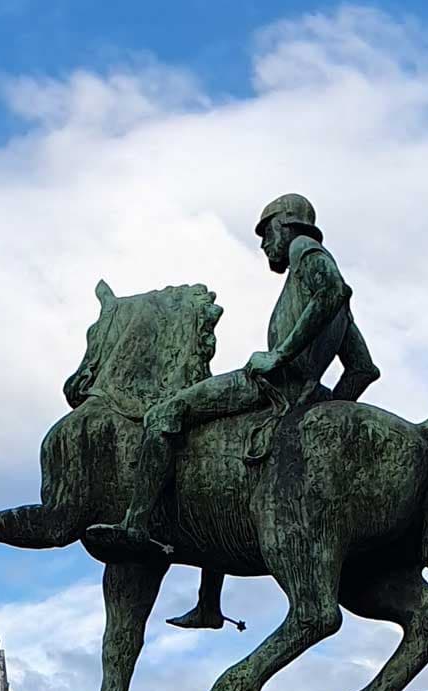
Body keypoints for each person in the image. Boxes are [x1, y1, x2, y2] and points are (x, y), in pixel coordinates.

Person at [84, 192, 380, 619]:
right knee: (210, 450)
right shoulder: (335, 306)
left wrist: (279, 358)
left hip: (266, 384)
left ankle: (135, 525)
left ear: (284, 226)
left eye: (265, 234)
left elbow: (330, 290)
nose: (264, 246)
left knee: (166, 414)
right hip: (295, 396)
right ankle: (208, 604)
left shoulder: (306, 253)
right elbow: (363, 370)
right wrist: (320, 411)